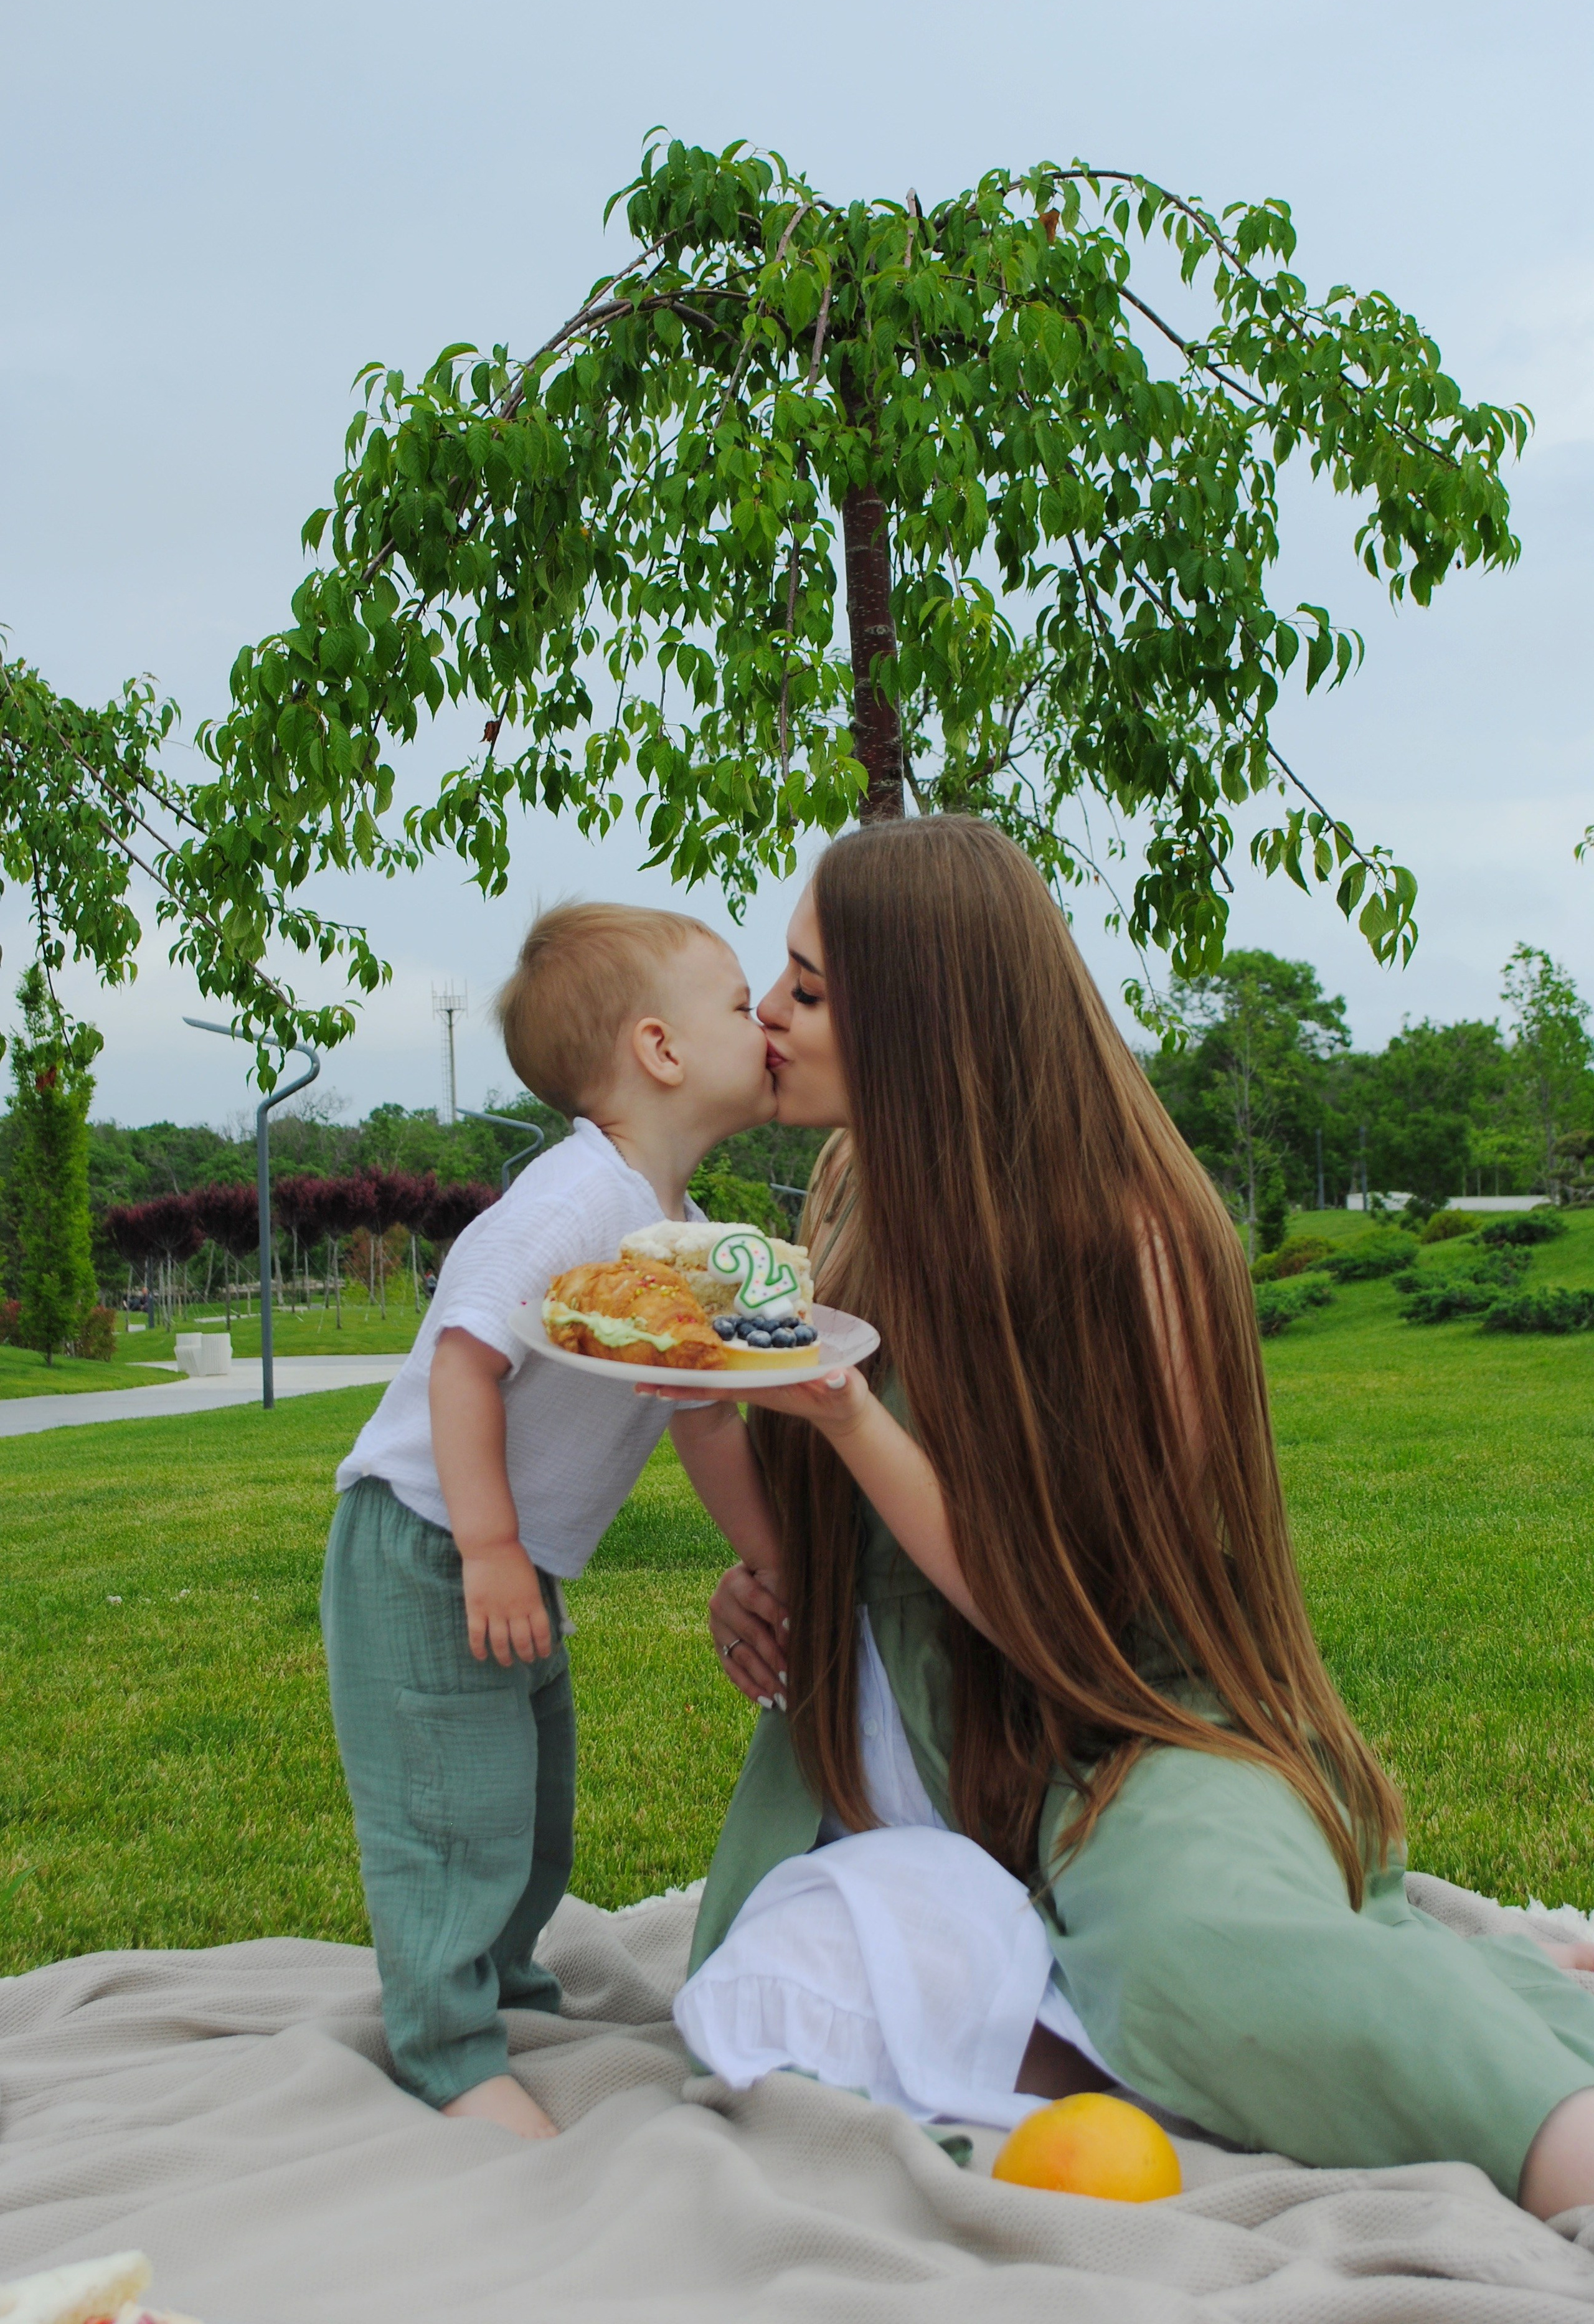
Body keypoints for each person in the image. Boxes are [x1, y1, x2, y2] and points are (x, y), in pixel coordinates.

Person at [663, 816, 1594, 2218]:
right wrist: (771, 1582)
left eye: (807, 987)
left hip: (1128, 1728)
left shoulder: (1139, 1244)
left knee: (1188, 1955)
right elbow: (839, 1521)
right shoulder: (852, 1195)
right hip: (918, 1760)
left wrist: (849, 1417)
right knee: (763, 2000)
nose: (773, 1013)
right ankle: (1414, 1980)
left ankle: (1551, 2130)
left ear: (920, 1017)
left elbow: (1071, 1611)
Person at [323, 901, 781, 2140]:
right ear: (661, 1050)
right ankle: (445, 2042)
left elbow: (701, 1421)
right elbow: (463, 1361)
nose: (768, 1021)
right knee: (449, 1810)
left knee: (531, 1808)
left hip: (501, 1560)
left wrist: (773, 1558)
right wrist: (484, 1549)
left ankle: (506, 1985)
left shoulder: (671, 1233)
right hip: (427, 1547)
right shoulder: (570, 1201)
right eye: (742, 1004)